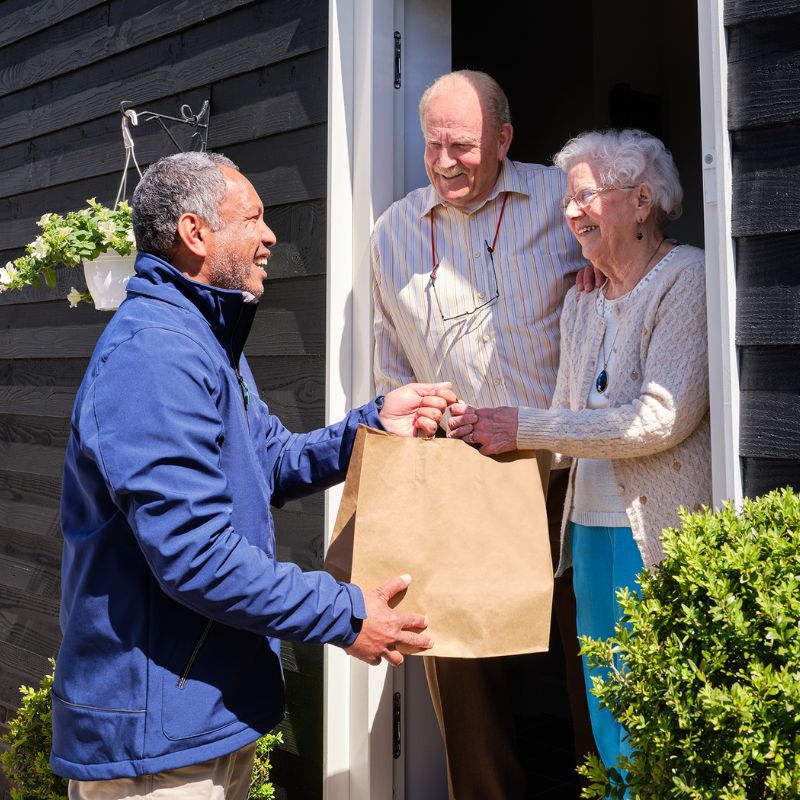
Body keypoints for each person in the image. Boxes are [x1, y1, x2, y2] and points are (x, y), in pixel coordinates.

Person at [52, 151, 457, 799]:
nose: (270, 236)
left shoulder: (206, 342)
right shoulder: (153, 355)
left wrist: (373, 424)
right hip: (157, 742)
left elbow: (268, 463)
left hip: (205, 711)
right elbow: (194, 555)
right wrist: (346, 613)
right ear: (195, 233)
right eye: (254, 219)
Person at [449, 128, 711, 776]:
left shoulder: (687, 278)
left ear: (641, 201)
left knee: (656, 724)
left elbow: (658, 420)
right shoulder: (581, 303)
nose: (571, 213)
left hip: (654, 536)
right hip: (588, 536)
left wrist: (524, 425)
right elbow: (565, 421)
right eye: (568, 202)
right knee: (607, 721)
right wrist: (476, 425)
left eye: (585, 197)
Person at [371, 69, 595, 798]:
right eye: (432, 144)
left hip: (560, 472)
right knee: (465, 683)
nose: (444, 163)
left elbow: (622, 276)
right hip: (456, 481)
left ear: (502, 139)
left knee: (584, 667)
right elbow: (388, 360)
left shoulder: (564, 203)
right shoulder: (394, 230)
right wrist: (407, 408)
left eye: (462, 146)